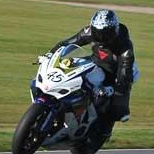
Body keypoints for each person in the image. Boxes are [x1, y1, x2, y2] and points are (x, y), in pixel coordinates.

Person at [47, 8, 135, 137]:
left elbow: (124, 75)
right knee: (68, 68)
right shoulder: (89, 32)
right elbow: (68, 43)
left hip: (114, 73)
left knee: (119, 110)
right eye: (98, 33)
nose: (101, 37)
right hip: (94, 63)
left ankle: (105, 129)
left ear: (114, 31)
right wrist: (50, 54)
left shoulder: (125, 47)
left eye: (105, 33)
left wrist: (117, 90)